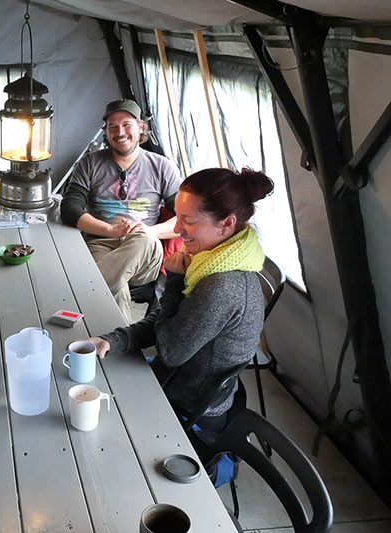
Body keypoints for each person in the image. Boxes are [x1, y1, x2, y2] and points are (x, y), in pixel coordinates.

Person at [79, 168, 273, 431]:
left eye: (188, 221)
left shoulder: (221, 286)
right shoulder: (212, 260)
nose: (178, 229)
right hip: (173, 380)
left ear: (226, 223)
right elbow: (172, 322)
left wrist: (174, 282)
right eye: (178, 217)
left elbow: (170, 350)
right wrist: (113, 340)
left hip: (187, 408)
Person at [60, 98, 182, 323]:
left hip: (145, 252)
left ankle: (80, 289)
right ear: (106, 132)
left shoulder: (162, 166)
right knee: (115, 286)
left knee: (143, 239)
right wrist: (109, 230)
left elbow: (186, 218)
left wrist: (150, 230)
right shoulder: (90, 163)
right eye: (112, 126)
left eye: (126, 124)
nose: (120, 132)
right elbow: (69, 208)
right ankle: (120, 341)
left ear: (141, 127)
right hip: (100, 245)